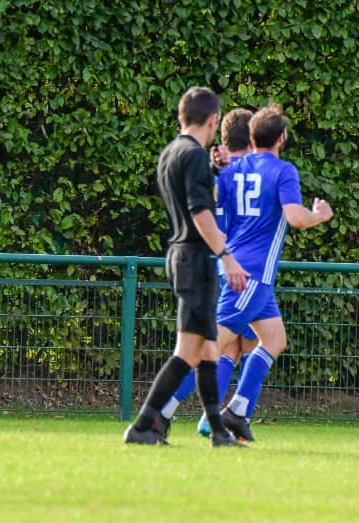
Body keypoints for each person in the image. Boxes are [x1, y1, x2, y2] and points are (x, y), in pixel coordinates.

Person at [123, 86, 249, 447]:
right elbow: (199, 213)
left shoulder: (172, 152)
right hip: (196, 259)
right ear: (213, 120)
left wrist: (213, 169)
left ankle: (219, 433)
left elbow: (185, 195)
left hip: (181, 256)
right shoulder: (192, 155)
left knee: (209, 350)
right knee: (188, 351)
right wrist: (227, 256)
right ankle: (142, 425)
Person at [212, 104, 334, 441]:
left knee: (274, 340)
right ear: (281, 138)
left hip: (232, 265)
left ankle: (237, 411)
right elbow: (295, 217)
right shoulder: (281, 171)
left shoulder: (232, 169)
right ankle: (162, 412)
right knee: (212, 346)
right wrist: (320, 214)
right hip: (249, 272)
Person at [156, 109, 259, 436]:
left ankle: (214, 416)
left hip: (216, 263)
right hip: (241, 268)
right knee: (231, 344)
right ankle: (170, 411)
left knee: (233, 346)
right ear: (253, 138)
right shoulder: (253, 172)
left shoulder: (216, 171)